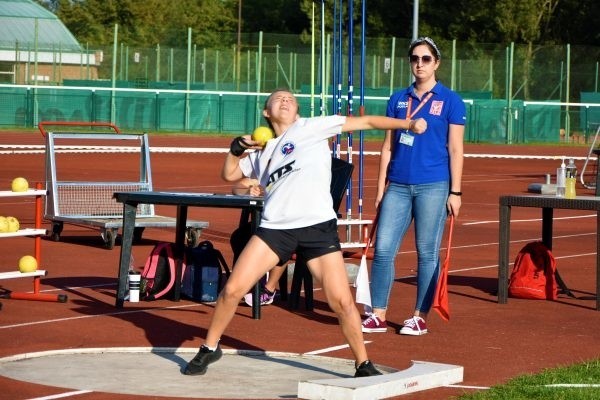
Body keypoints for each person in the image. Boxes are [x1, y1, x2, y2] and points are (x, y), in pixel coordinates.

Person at [183, 88, 427, 377]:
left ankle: (363, 363)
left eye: (290, 98)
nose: (285, 100)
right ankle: (210, 348)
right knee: (233, 289)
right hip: (275, 228)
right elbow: (230, 176)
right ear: (266, 112)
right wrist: (235, 149)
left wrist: (408, 124)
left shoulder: (312, 127)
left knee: (342, 302)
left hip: (317, 228)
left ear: (297, 109)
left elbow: (367, 123)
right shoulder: (265, 150)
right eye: (277, 98)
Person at [361, 37, 465, 336]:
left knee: (426, 252)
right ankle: (377, 313)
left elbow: (456, 149)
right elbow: (387, 148)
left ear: (437, 63)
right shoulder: (398, 99)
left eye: (426, 59)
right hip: (398, 185)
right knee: (382, 250)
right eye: (415, 58)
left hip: (433, 185)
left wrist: (455, 192)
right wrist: (381, 189)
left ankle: (419, 315)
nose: (419, 64)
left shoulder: (450, 100)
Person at [231, 177, 286, 306]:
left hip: (291, 225)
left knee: (281, 239)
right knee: (239, 237)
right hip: (267, 223)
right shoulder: (267, 171)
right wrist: (247, 191)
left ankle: (268, 290)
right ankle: (247, 281)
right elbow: (237, 187)